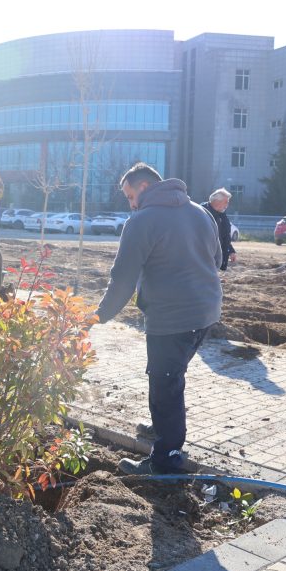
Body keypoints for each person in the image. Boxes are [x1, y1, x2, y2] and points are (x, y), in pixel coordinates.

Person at [93, 162, 223, 475]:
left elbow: (122, 279)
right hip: (206, 312)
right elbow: (217, 259)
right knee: (167, 376)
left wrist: (98, 316)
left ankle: (167, 459)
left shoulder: (141, 220)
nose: (130, 203)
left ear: (144, 187)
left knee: (167, 383)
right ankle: (161, 426)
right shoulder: (200, 212)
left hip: (172, 318)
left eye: (129, 196)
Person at [201, 188, 236, 271]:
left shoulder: (222, 214)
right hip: (204, 255)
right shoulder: (201, 212)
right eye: (226, 202)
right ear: (217, 201)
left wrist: (230, 250)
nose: (227, 205)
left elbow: (223, 235)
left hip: (216, 256)